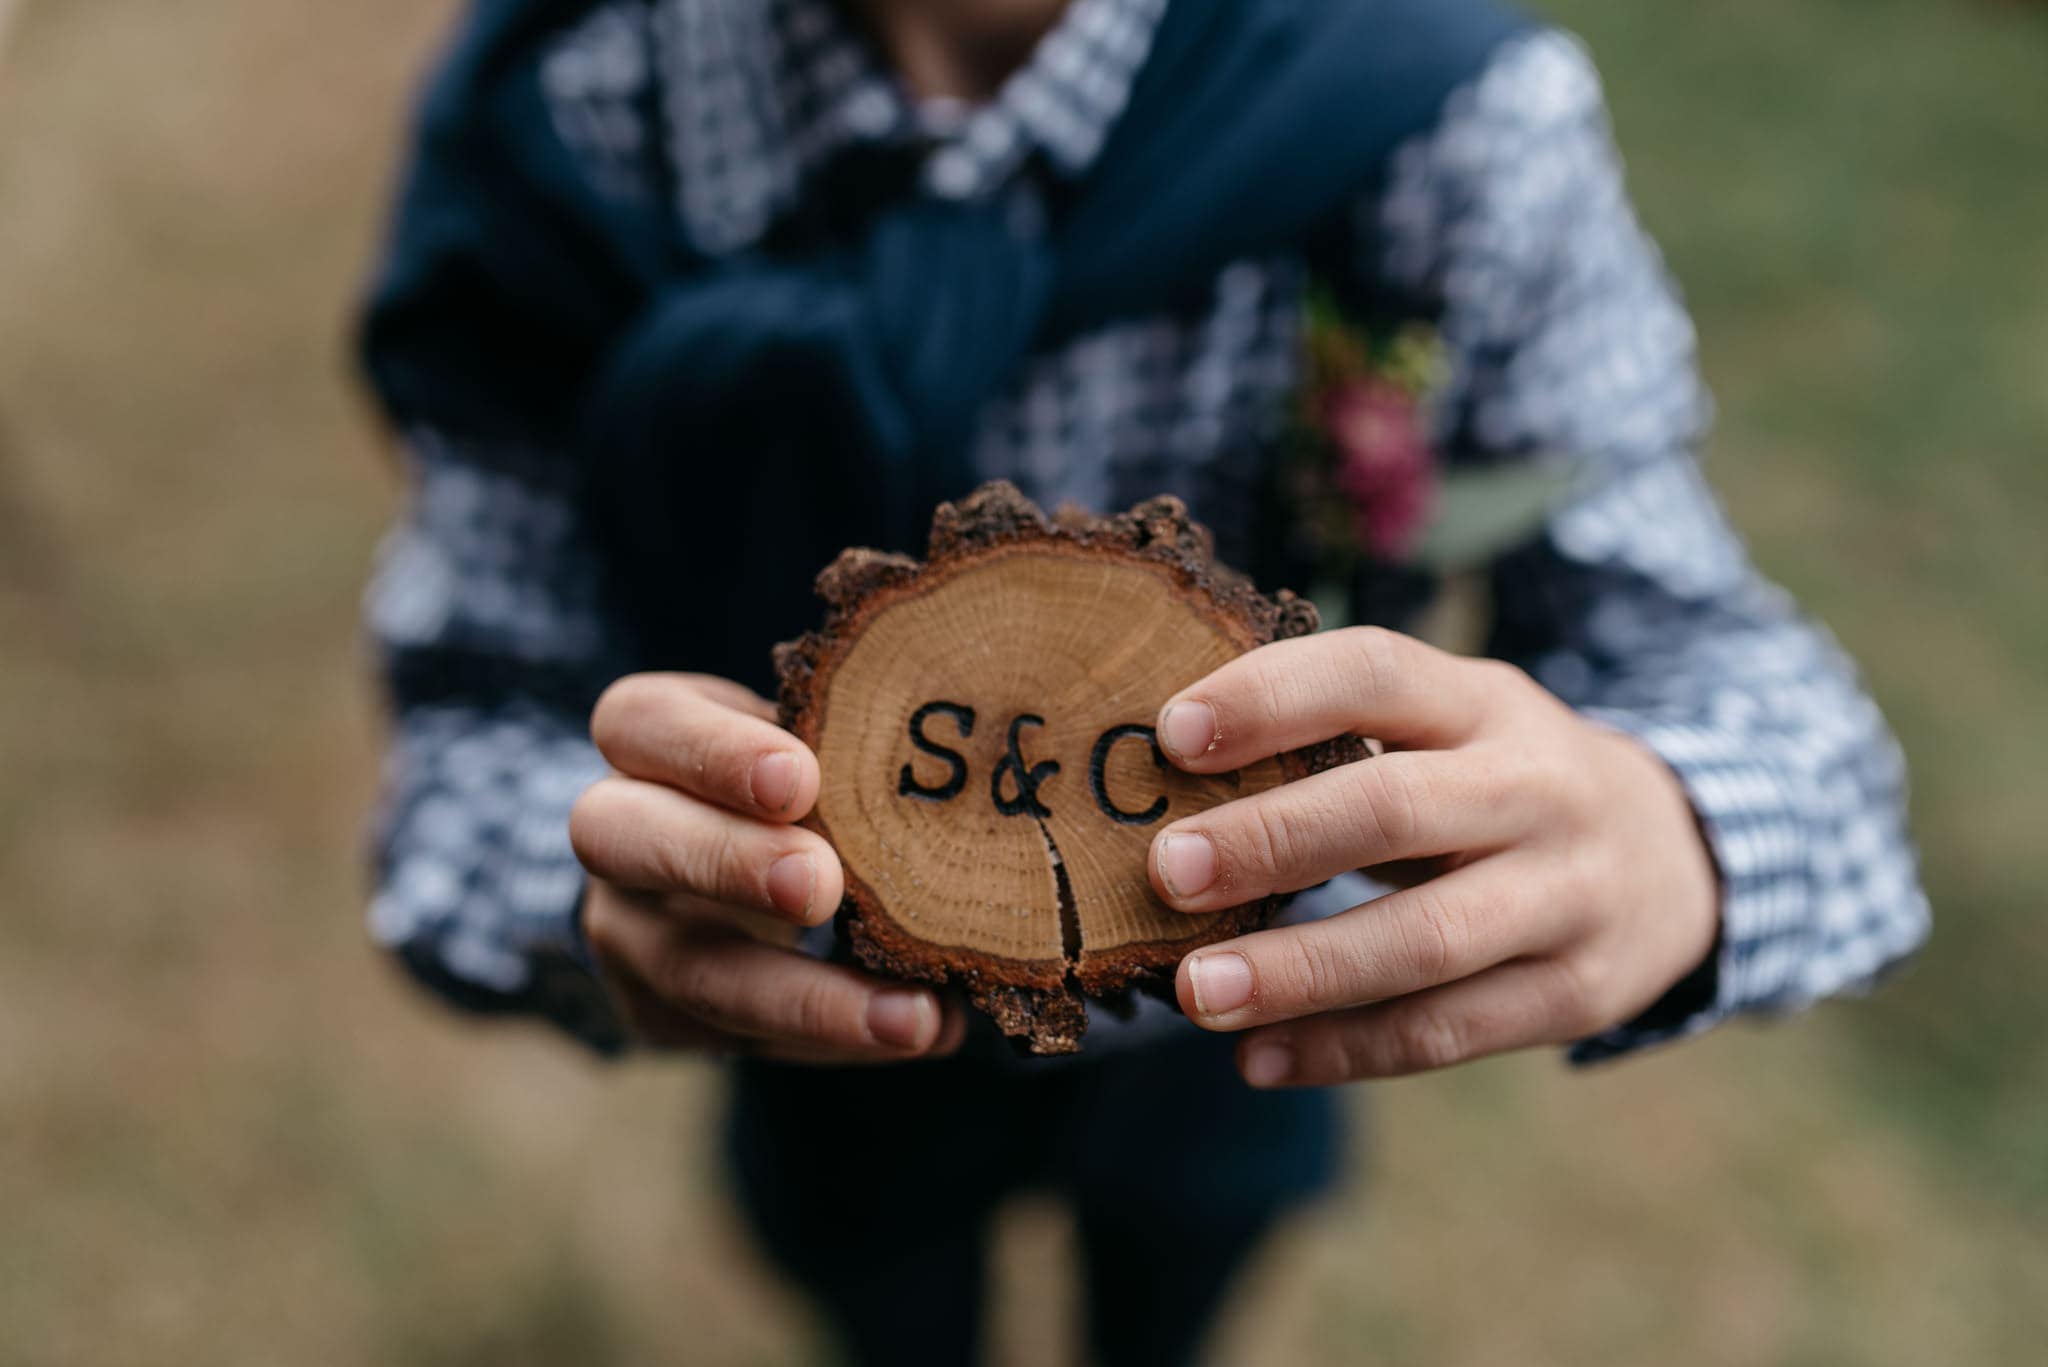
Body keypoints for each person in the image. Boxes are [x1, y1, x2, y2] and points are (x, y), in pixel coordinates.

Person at [357, 1, 1931, 1362]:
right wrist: (584, 896)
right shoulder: (564, 123)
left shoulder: (1440, 113)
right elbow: (467, 733)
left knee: (1176, 1292)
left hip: (1238, 1024)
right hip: (828, 1027)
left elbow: (1778, 722)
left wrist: (1676, 833)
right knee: (884, 1302)